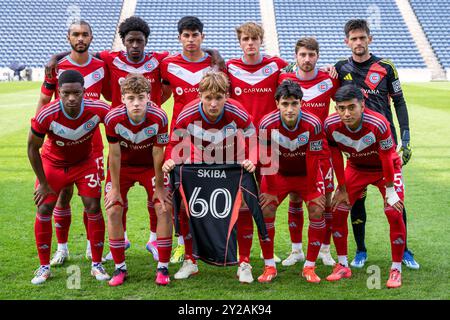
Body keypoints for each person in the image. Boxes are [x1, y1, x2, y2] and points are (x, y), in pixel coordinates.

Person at [334, 19, 418, 269]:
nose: (358, 42)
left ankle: (404, 250)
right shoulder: (340, 69)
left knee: (395, 203)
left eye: (362, 38)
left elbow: (399, 102)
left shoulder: (386, 67)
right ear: (346, 41)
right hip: (357, 151)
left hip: (386, 147)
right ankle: (360, 251)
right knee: (355, 201)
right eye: (353, 38)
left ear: (369, 39)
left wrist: (406, 137)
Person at [162, 71, 257, 281]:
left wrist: (252, 159)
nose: (213, 104)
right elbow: (173, 141)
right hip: (199, 162)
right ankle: (190, 260)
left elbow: (252, 132)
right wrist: (169, 159)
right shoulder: (187, 113)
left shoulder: (236, 111)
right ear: (199, 96)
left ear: (227, 96)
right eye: (208, 98)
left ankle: (244, 263)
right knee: (189, 210)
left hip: (231, 162)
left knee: (241, 209)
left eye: (218, 98)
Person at [27, 70, 110, 285]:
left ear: (84, 91)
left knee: (93, 205)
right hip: (53, 164)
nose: (71, 98)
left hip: (84, 163)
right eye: (65, 93)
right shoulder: (47, 114)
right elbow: (31, 149)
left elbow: (118, 122)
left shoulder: (98, 108)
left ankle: (97, 264)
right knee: (44, 207)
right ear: (59, 92)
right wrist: (43, 183)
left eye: (76, 92)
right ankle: (44, 267)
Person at [37, 20, 108, 266]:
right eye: (75, 35)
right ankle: (62, 248)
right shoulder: (57, 67)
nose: (80, 38)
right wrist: (45, 130)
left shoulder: (102, 65)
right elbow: (44, 101)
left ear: (91, 37)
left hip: (92, 143)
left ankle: (91, 247)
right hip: (62, 141)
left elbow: (109, 98)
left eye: (85, 34)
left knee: (92, 198)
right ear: (68, 38)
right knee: (62, 196)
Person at [324, 85, 406, 288]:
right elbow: (334, 155)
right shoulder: (330, 125)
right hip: (356, 168)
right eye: (341, 108)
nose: (346, 113)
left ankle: (396, 268)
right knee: (338, 210)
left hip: (385, 169)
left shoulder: (378, 123)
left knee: (394, 212)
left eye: (352, 107)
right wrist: (341, 187)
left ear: (362, 104)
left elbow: (387, 158)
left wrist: (390, 190)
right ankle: (342, 265)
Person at [225, 21, 288, 280]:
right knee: (242, 205)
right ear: (240, 42)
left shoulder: (277, 65)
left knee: (267, 201)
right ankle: (244, 259)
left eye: (254, 39)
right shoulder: (229, 67)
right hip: (239, 145)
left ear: (261, 40)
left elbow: (299, 77)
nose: (250, 44)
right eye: (245, 39)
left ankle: (268, 254)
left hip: (269, 144)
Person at [160, 16, 222, 264]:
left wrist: (214, 53)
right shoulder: (167, 64)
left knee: (214, 192)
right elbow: (160, 93)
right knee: (180, 195)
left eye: (195, 35)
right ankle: (180, 245)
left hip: (213, 139)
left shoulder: (215, 64)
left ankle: (215, 243)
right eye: (186, 35)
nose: (190, 39)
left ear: (202, 38)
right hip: (181, 138)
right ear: (179, 38)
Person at [104, 74, 172, 286]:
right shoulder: (112, 118)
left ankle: (163, 267)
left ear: (149, 98)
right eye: (131, 98)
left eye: (141, 98)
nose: (136, 103)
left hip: (149, 166)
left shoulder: (159, 117)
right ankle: (119, 268)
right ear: (123, 98)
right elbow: (114, 155)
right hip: (122, 166)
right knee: (114, 208)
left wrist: (160, 187)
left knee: (164, 207)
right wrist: (114, 189)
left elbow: (158, 153)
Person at [278, 37, 339, 267]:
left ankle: (325, 250)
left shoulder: (329, 80)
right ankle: (296, 251)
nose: (307, 59)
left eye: (311, 55)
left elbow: (344, 104)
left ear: (318, 56)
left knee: (325, 201)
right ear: (296, 56)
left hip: (320, 151)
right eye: (302, 54)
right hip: (292, 150)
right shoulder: (285, 79)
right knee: (294, 197)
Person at [258, 80, 326, 283]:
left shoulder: (313, 124)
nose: (289, 109)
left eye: (294, 103)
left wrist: (314, 190)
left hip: (306, 175)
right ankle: (269, 266)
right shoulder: (266, 123)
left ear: (301, 104)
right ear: (277, 103)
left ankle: (310, 267)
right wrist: (269, 189)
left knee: (317, 209)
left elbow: (314, 159)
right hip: (278, 174)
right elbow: (265, 158)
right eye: (285, 103)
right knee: (267, 209)